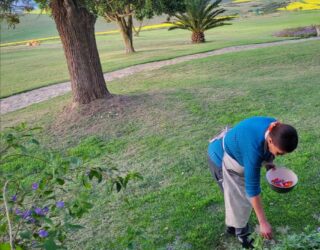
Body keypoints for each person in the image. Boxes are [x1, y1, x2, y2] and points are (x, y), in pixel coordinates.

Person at [207, 116, 298, 248]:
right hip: (219, 157)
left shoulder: (274, 128)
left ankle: (232, 226)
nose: (279, 156)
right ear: (271, 140)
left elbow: (266, 148)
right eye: (279, 153)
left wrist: (268, 162)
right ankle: (243, 236)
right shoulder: (253, 151)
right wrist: (263, 222)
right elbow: (252, 189)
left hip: (238, 148)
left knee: (235, 198)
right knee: (238, 198)